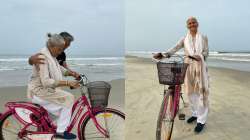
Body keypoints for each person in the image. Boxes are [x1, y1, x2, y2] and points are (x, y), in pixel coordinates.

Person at [153, 17, 210, 133]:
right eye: (189, 23)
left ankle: (201, 120)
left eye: (193, 22)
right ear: (187, 26)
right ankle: (195, 113)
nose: (192, 24)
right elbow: (175, 48)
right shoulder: (184, 39)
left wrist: (199, 56)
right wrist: (164, 55)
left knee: (201, 93)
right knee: (190, 93)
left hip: (200, 67)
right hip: (188, 67)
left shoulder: (203, 37)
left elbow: (206, 52)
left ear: (197, 24)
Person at [27, 33, 79, 139]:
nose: (61, 52)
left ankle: (42, 126)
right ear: (51, 46)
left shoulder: (52, 55)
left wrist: (71, 73)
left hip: (46, 90)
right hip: (39, 91)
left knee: (62, 110)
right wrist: (68, 83)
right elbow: (46, 81)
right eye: (59, 49)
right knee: (68, 99)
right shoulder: (43, 57)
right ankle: (60, 132)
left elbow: (60, 69)